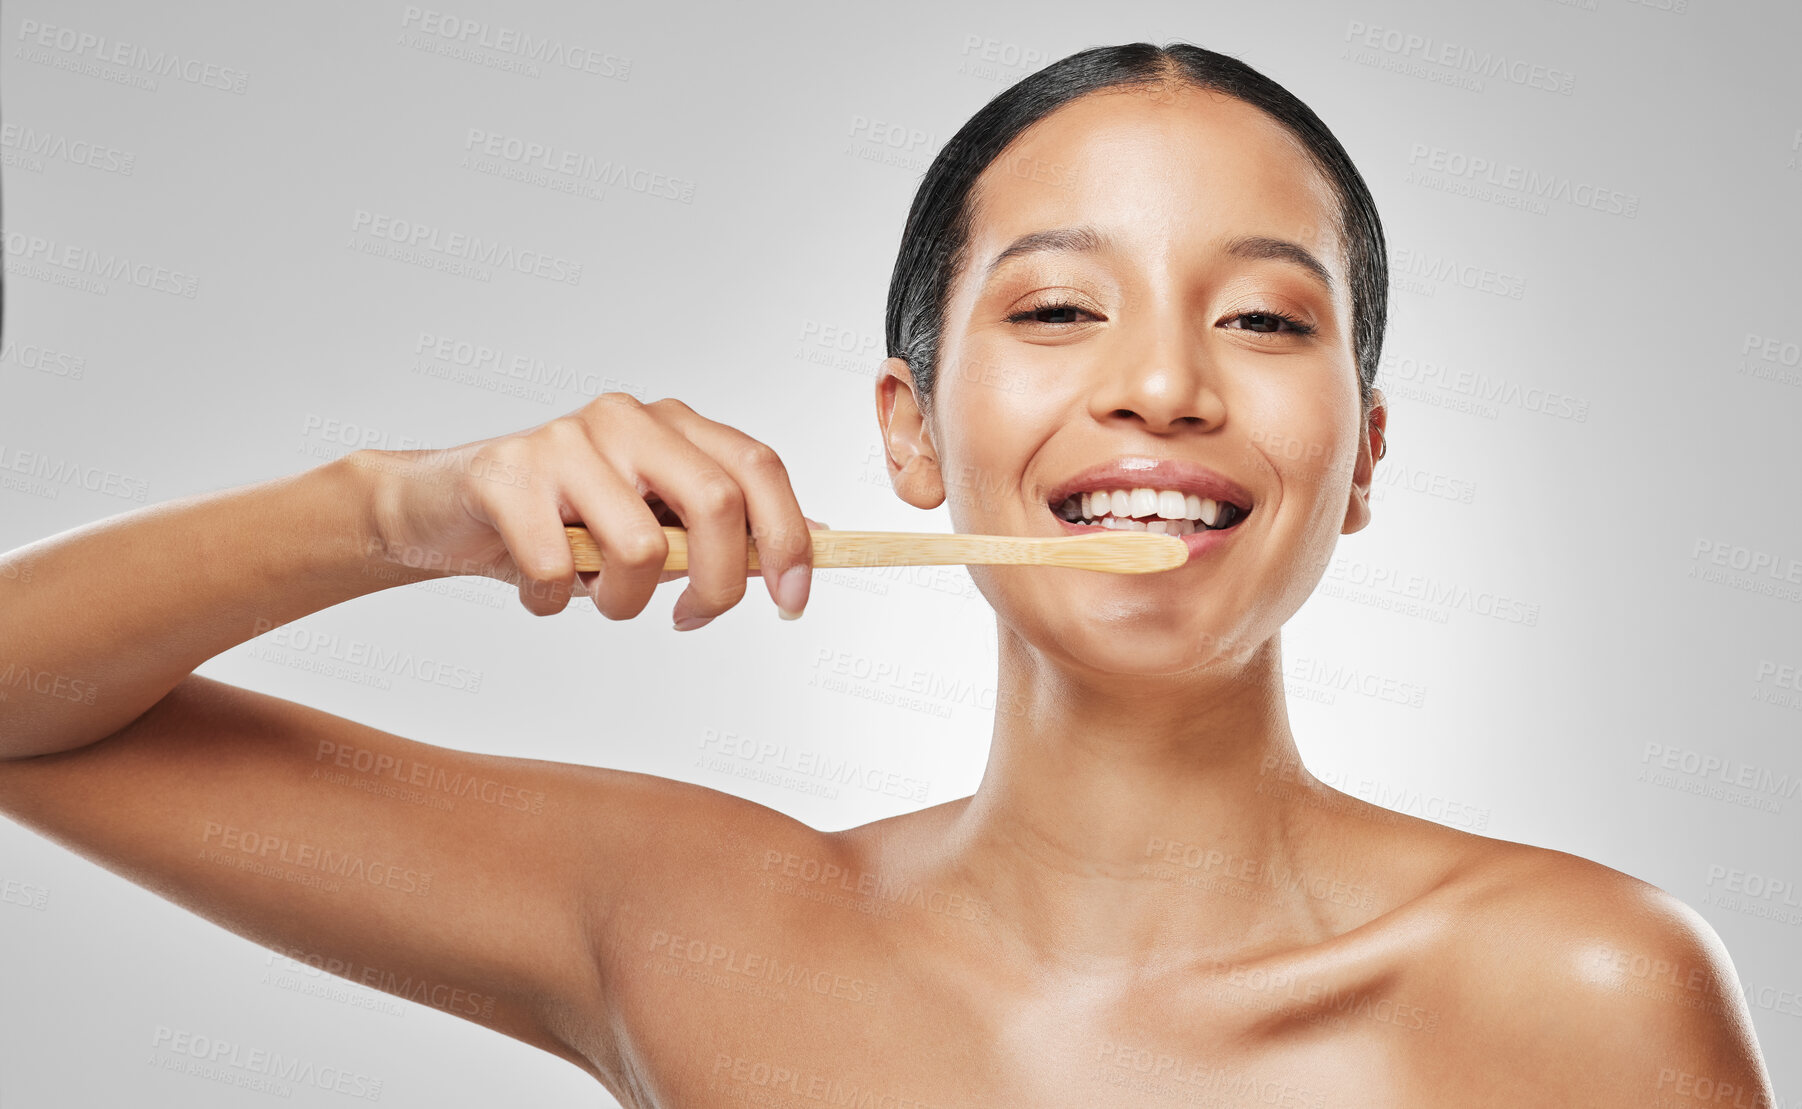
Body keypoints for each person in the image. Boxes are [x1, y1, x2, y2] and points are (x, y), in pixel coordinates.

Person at [0, 41, 1774, 1106]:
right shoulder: (698, 928)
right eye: (1060, 308)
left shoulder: (1573, 986)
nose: (1162, 382)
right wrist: (401, 509)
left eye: (1259, 317)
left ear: (1362, 455)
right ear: (911, 432)